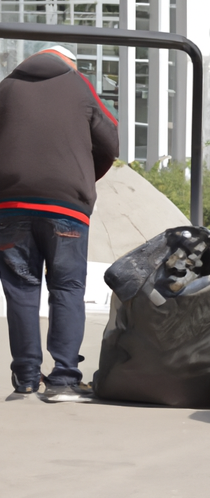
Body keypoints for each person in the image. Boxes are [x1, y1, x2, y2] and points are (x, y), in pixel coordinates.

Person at [0, 45, 119, 401]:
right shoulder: (78, 84)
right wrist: (81, 178)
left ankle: (24, 377)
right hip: (66, 206)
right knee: (67, 288)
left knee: (21, 288)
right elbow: (109, 141)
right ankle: (64, 378)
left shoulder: (5, 88)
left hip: (10, 205)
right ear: (69, 64)